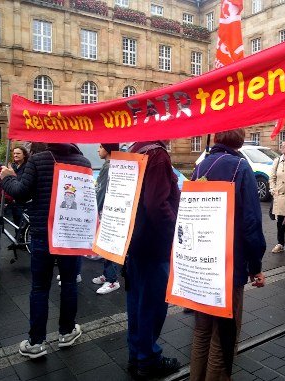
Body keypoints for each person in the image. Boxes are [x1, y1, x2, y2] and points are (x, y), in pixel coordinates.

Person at [0, 143, 91, 358]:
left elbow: (21, 194)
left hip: (43, 233)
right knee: (69, 282)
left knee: (40, 287)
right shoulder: (84, 163)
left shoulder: (38, 160)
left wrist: (8, 177)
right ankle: (67, 333)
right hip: (71, 233)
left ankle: (36, 342)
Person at [190, 129, 266, 381]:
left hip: (202, 264)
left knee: (202, 330)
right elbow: (251, 222)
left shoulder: (199, 167)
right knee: (224, 336)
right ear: (241, 141)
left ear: (215, 139)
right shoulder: (240, 167)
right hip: (229, 265)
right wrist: (255, 265)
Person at [125, 140, 181, 378]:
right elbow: (155, 204)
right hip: (154, 244)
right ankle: (148, 358)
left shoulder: (134, 150)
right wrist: (173, 230)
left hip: (133, 240)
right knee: (153, 304)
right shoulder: (158, 155)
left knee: (136, 302)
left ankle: (136, 352)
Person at [92, 143, 121, 295]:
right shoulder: (114, 165)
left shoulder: (108, 166)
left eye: (101, 147)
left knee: (109, 245)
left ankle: (112, 280)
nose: (98, 150)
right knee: (106, 244)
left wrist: (95, 210)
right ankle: (107, 274)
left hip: (106, 211)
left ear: (108, 149)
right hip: (112, 210)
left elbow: (101, 189)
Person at [11, 146, 29, 237]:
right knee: (15, 219)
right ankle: (16, 237)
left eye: (18, 153)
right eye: (14, 153)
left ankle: (22, 238)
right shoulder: (13, 166)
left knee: (22, 219)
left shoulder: (27, 166)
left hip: (23, 197)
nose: (15, 155)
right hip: (14, 197)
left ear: (24, 155)